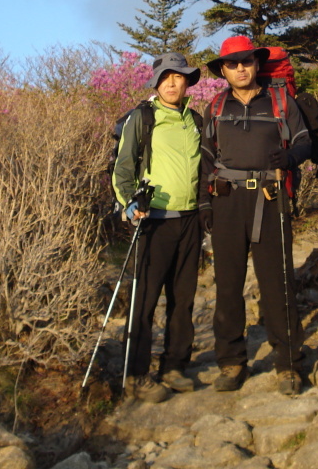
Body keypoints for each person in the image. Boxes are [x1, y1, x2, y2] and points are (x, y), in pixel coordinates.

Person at [199, 36, 311, 395]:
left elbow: (305, 140)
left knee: (278, 283)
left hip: (271, 198)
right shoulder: (215, 107)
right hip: (226, 201)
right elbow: (205, 159)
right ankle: (231, 363)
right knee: (228, 284)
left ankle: (288, 365)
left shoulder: (280, 101)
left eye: (246, 61)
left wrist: (291, 158)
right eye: (233, 64)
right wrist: (204, 203)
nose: (241, 68)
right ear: (223, 71)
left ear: (257, 63)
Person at [112, 52, 204, 403]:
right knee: (145, 301)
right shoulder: (142, 117)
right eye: (166, 76)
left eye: (178, 76)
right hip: (153, 222)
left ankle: (174, 366)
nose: (172, 82)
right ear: (155, 81)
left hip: (190, 220)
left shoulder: (195, 120)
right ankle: (136, 375)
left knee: (183, 299)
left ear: (187, 82)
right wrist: (128, 203)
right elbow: (122, 168)